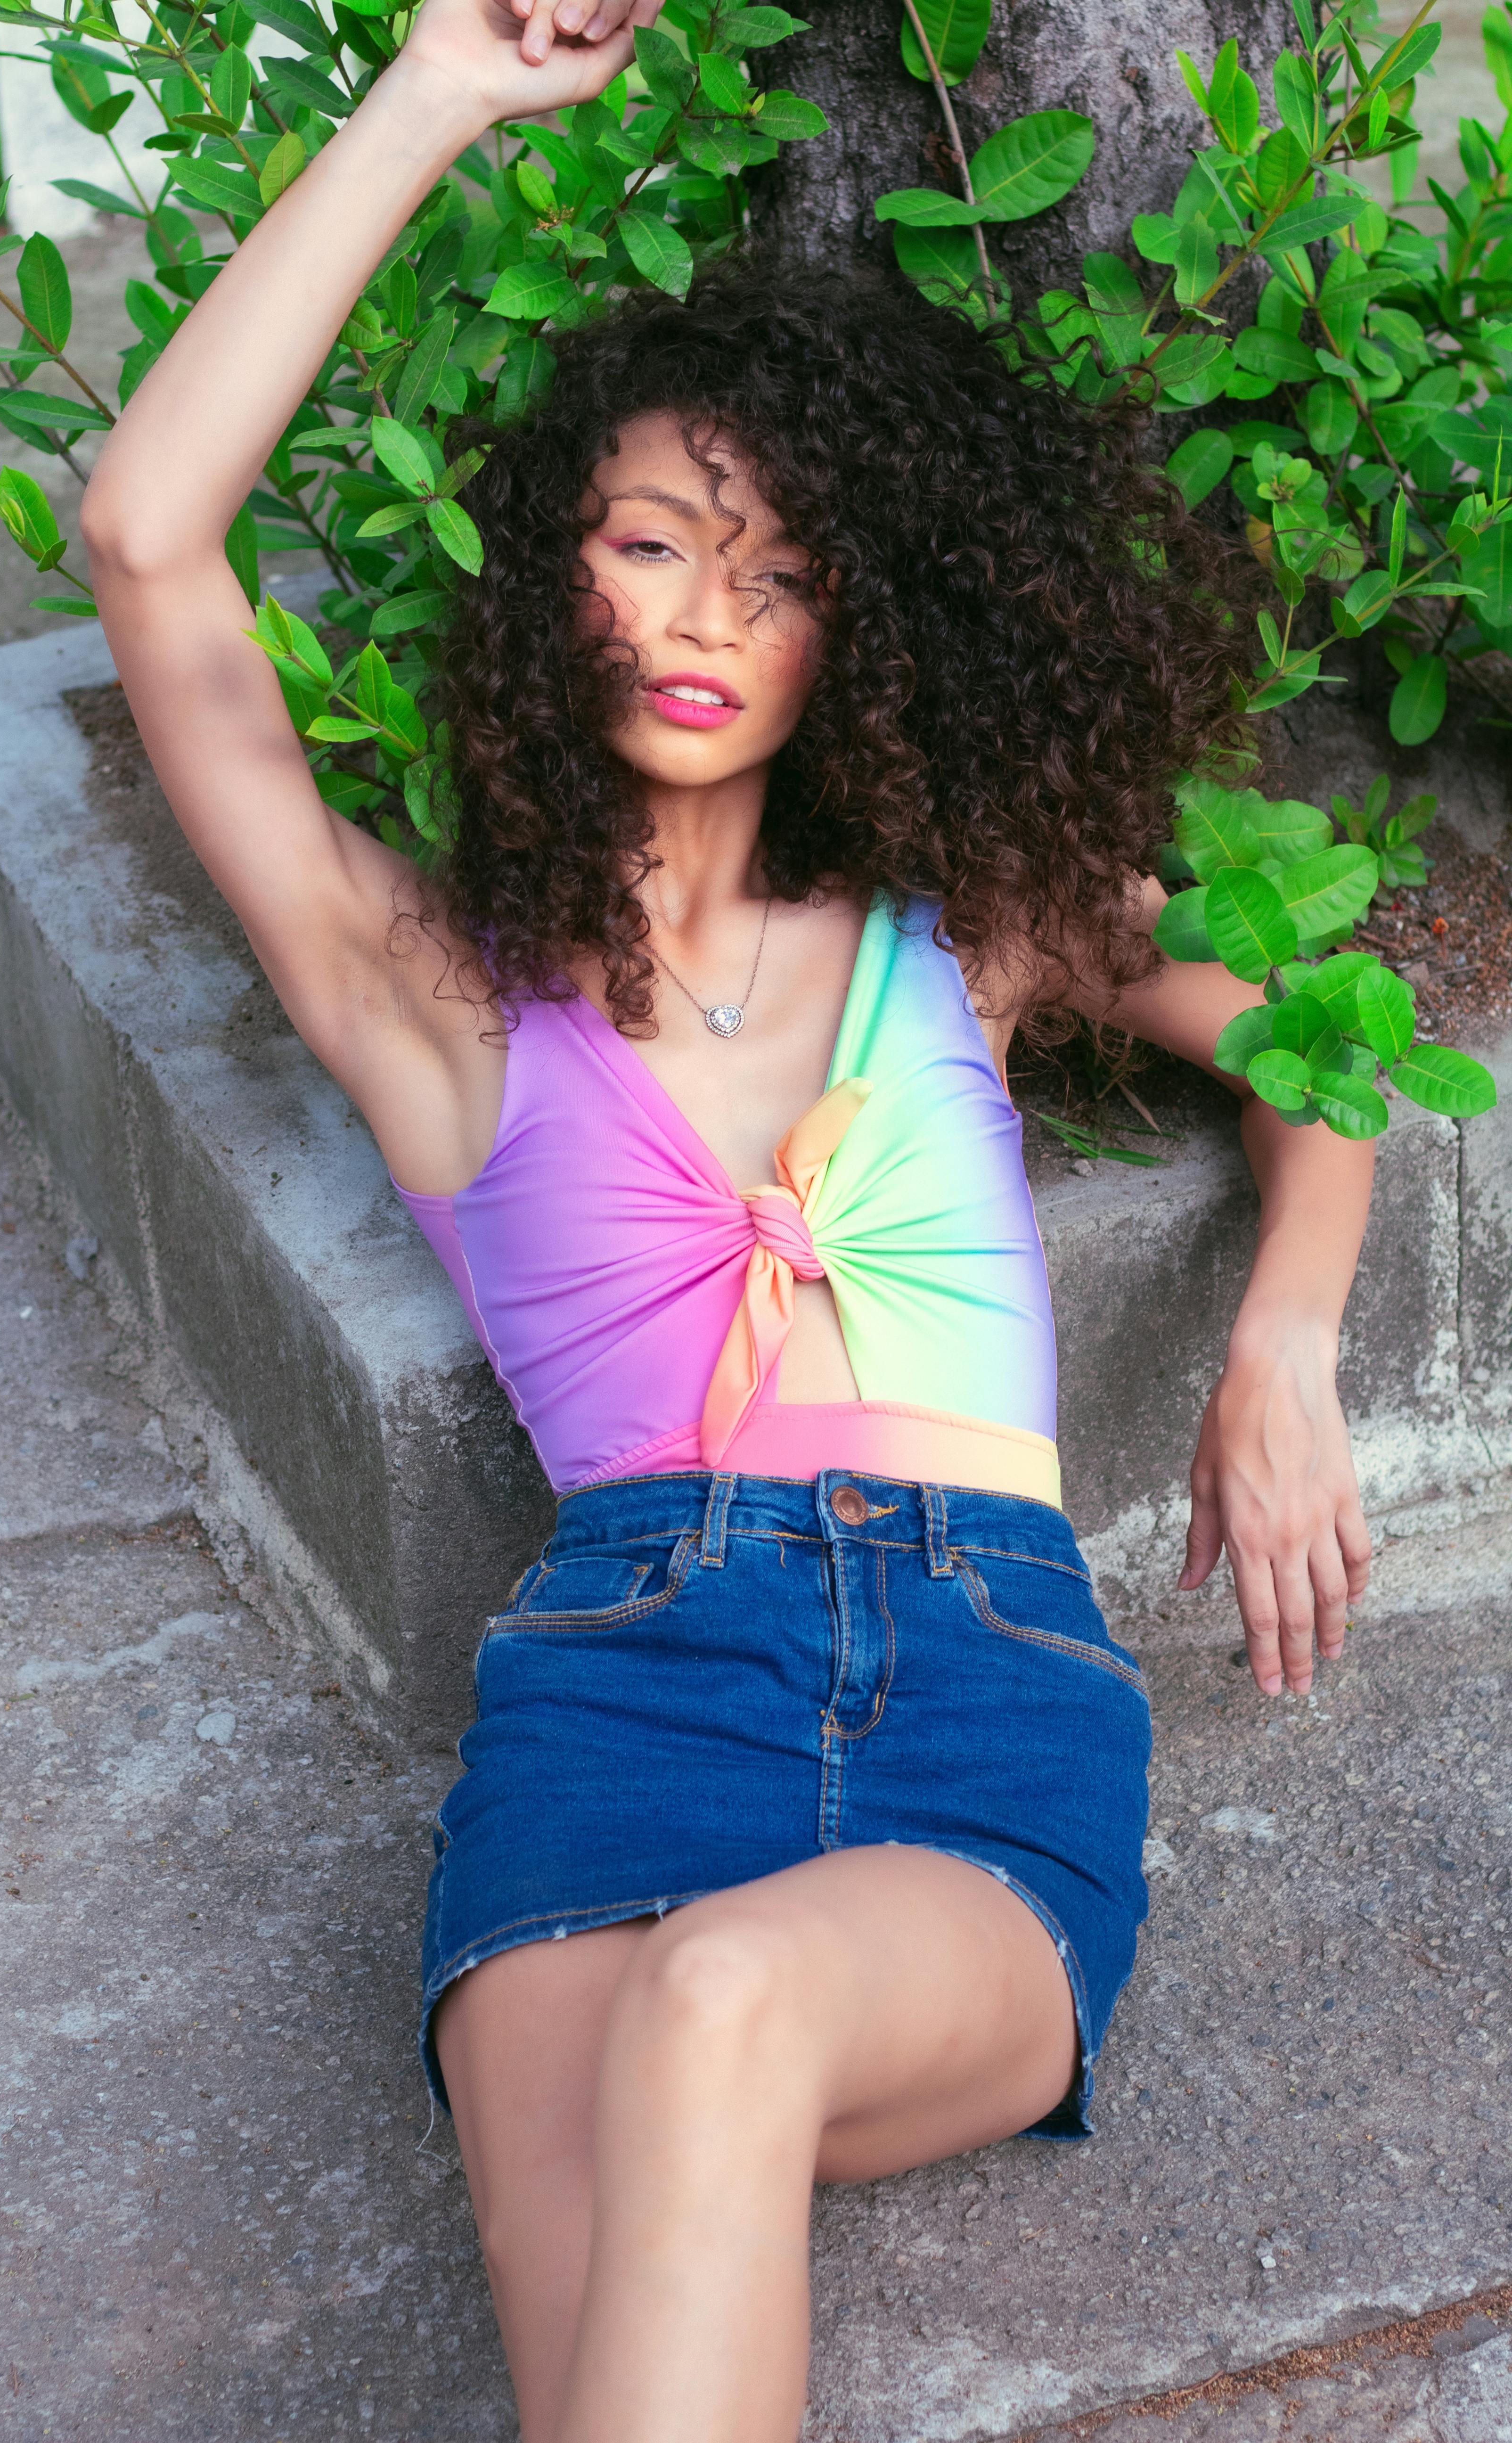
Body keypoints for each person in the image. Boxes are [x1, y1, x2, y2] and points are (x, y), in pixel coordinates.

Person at [80, 0, 1377, 2432]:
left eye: (769, 575)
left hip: (984, 1711)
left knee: (726, 2006)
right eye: (651, 543)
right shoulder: (442, 1003)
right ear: (558, 569)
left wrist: (1285, 1335)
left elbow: (1324, 1047)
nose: (697, 617)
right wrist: (444, 87)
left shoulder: (955, 930)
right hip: (610, 1713)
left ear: (845, 634)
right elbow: (149, 544)